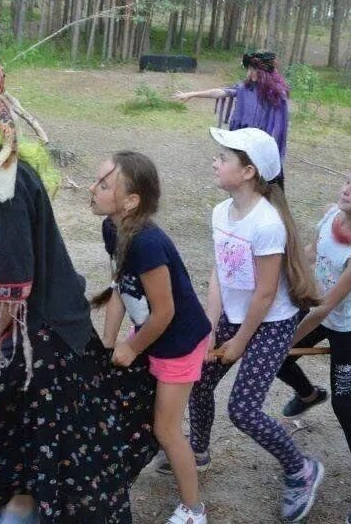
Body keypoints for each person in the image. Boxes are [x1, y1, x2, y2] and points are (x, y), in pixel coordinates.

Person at [0, 52, 158, 524]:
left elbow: (10, 280)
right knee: (17, 455)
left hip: (43, 341)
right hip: (27, 334)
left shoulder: (2, 180)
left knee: (22, 458)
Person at [181, 127, 324, 523]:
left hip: (270, 324)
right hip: (231, 315)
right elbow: (218, 274)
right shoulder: (219, 212)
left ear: (248, 172)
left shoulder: (267, 223)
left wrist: (240, 342)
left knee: (243, 410)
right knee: (198, 379)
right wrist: (211, 326)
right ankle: (198, 453)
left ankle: (301, 469)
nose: (215, 161)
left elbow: (264, 294)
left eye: (224, 158)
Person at [89, 151, 212, 524]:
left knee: (166, 428)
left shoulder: (147, 243)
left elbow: (166, 313)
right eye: (97, 181)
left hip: (178, 344)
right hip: (150, 333)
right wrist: (109, 346)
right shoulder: (113, 228)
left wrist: (132, 346)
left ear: (131, 201)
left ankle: (194, 510)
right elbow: (119, 289)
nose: (92, 189)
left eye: (104, 185)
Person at [275, 160, 351, 524]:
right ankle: (309, 394)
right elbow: (311, 255)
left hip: (345, 325)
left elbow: (328, 306)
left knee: (346, 406)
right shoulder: (331, 215)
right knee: (279, 360)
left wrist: (287, 337)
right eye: (347, 181)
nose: (346, 189)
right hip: (316, 308)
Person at [173, 52, 289, 186]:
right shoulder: (245, 89)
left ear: (264, 72)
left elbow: (280, 126)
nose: (250, 73)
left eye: (254, 69)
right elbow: (221, 92)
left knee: (262, 184)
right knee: (241, 179)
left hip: (260, 144)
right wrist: (194, 94)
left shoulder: (276, 94)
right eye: (249, 69)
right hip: (242, 142)